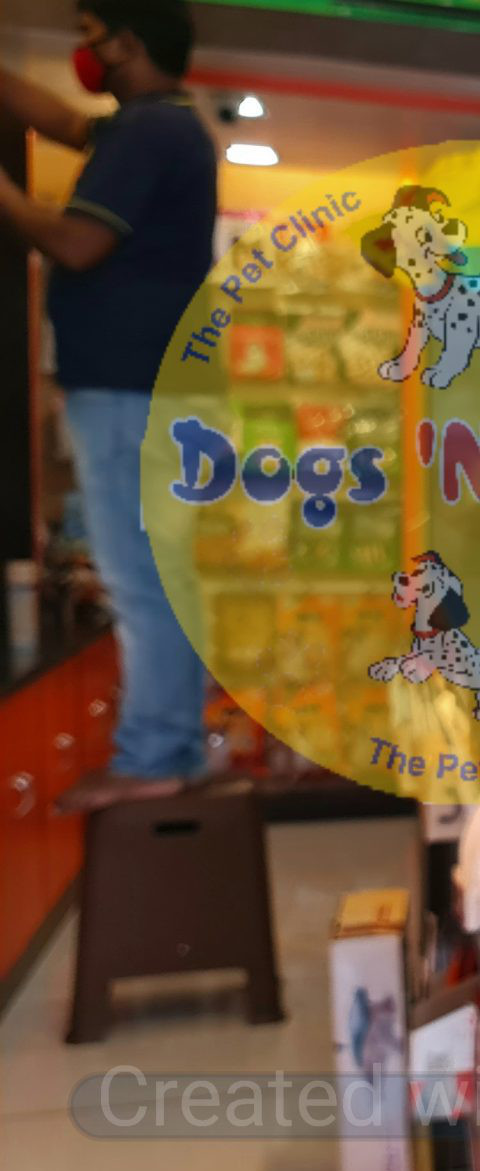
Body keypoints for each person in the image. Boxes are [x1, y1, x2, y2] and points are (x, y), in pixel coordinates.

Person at [0, 0, 217, 806]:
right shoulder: (159, 125)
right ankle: (174, 750)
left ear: (129, 44)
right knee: (161, 580)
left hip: (131, 388)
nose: (82, 54)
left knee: (142, 583)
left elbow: (76, 241)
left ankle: (156, 760)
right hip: (148, 387)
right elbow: (59, 116)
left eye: (92, 39)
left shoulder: (151, 133)